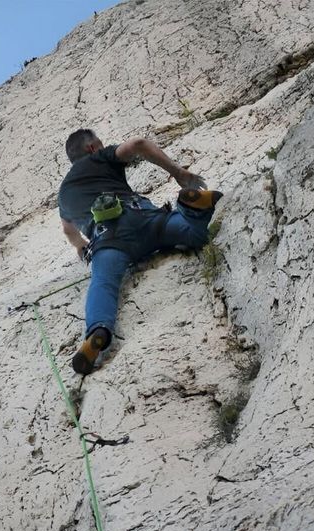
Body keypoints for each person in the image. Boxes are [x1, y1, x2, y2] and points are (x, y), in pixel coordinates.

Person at [58, 129, 223, 375]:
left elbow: (68, 231)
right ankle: (190, 207)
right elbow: (137, 143)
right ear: (92, 147)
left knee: (103, 283)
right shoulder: (100, 157)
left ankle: (97, 331)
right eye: (100, 143)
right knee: (194, 234)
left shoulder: (63, 195)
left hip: (109, 242)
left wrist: (82, 249)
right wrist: (178, 173)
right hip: (144, 219)